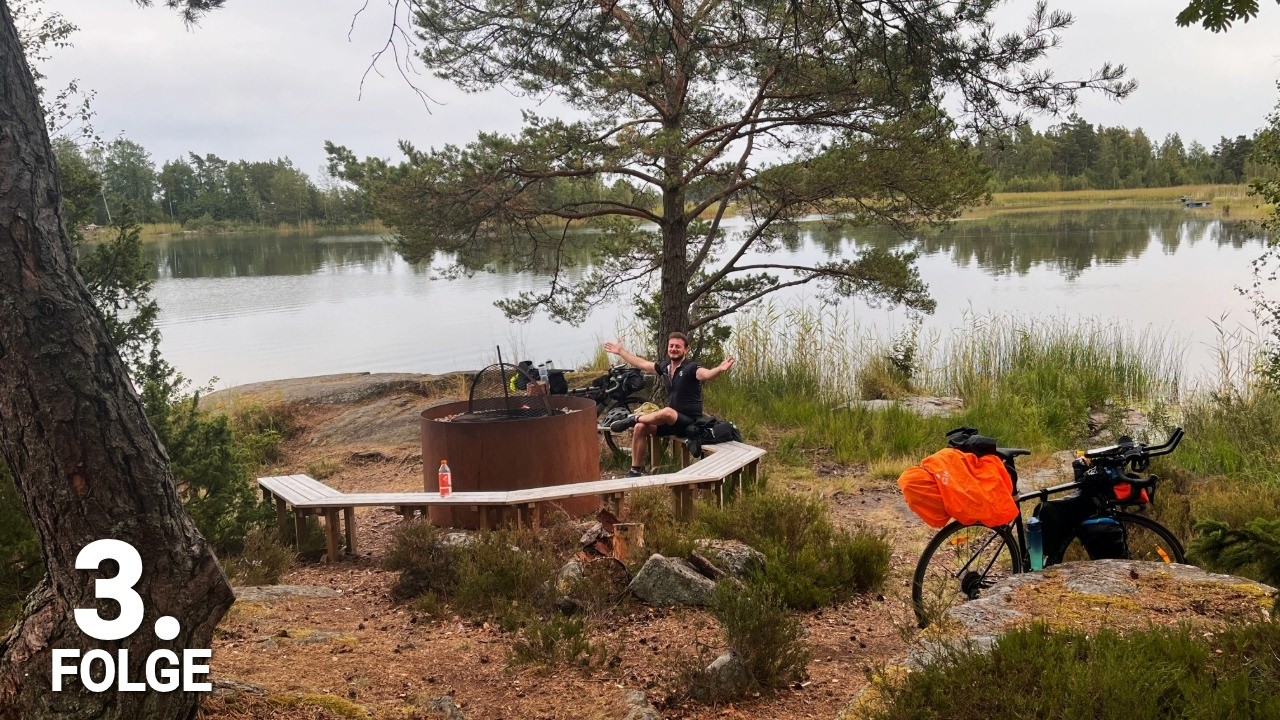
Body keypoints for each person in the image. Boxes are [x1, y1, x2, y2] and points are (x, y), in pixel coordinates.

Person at [603, 332, 735, 477]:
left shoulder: (691, 367)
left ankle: (633, 419)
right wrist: (621, 351)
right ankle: (635, 470)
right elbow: (642, 364)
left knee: (667, 412)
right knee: (640, 428)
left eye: (678, 346)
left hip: (689, 423)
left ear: (686, 350)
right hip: (672, 423)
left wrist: (719, 370)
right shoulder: (665, 367)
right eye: (671, 346)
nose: (673, 349)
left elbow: (706, 374)